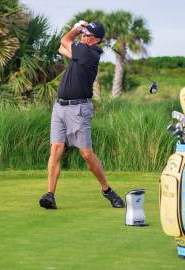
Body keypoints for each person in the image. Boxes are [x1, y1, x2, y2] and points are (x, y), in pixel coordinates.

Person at [39, 20, 124, 209]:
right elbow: (63, 49)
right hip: (59, 108)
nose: (84, 36)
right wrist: (74, 41)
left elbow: (64, 40)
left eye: (87, 34)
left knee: (86, 154)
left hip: (79, 110)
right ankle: (50, 195)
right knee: (56, 149)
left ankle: (107, 190)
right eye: (83, 34)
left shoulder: (89, 52)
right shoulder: (82, 52)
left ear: (96, 40)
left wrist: (76, 28)